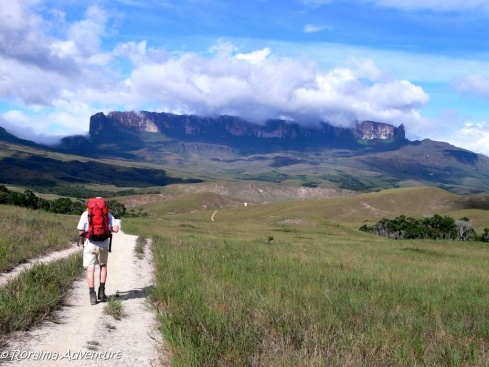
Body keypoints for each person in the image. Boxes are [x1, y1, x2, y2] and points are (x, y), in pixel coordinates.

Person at [77, 200, 120, 305]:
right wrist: (109, 228)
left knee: (90, 269)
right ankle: (102, 293)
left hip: (89, 244)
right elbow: (116, 229)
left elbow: (80, 231)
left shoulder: (86, 214)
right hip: (103, 245)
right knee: (103, 266)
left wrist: (83, 242)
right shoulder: (107, 214)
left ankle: (92, 295)